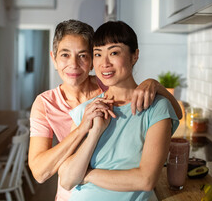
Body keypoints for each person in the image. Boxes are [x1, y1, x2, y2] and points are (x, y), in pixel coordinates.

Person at [28, 20, 182, 201]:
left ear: (90, 62)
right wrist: (85, 129)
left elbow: (172, 112)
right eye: (65, 55)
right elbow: (48, 175)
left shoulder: (113, 85)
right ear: (53, 59)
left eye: (83, 55)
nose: (73, 64)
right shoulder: (57, 105)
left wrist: (155, 85)